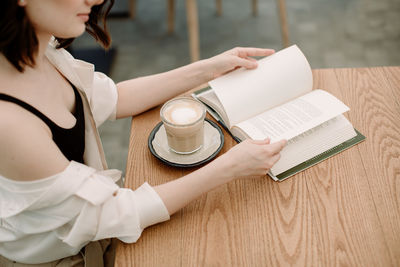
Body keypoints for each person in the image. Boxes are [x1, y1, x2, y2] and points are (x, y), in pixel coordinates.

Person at [0, 0, 287, 266]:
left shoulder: (42, 50)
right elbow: (118, 214)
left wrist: (210, 68)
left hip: (94, 230)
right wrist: (230, 166)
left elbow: (116, 98)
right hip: (62, 258)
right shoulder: (10, 122)